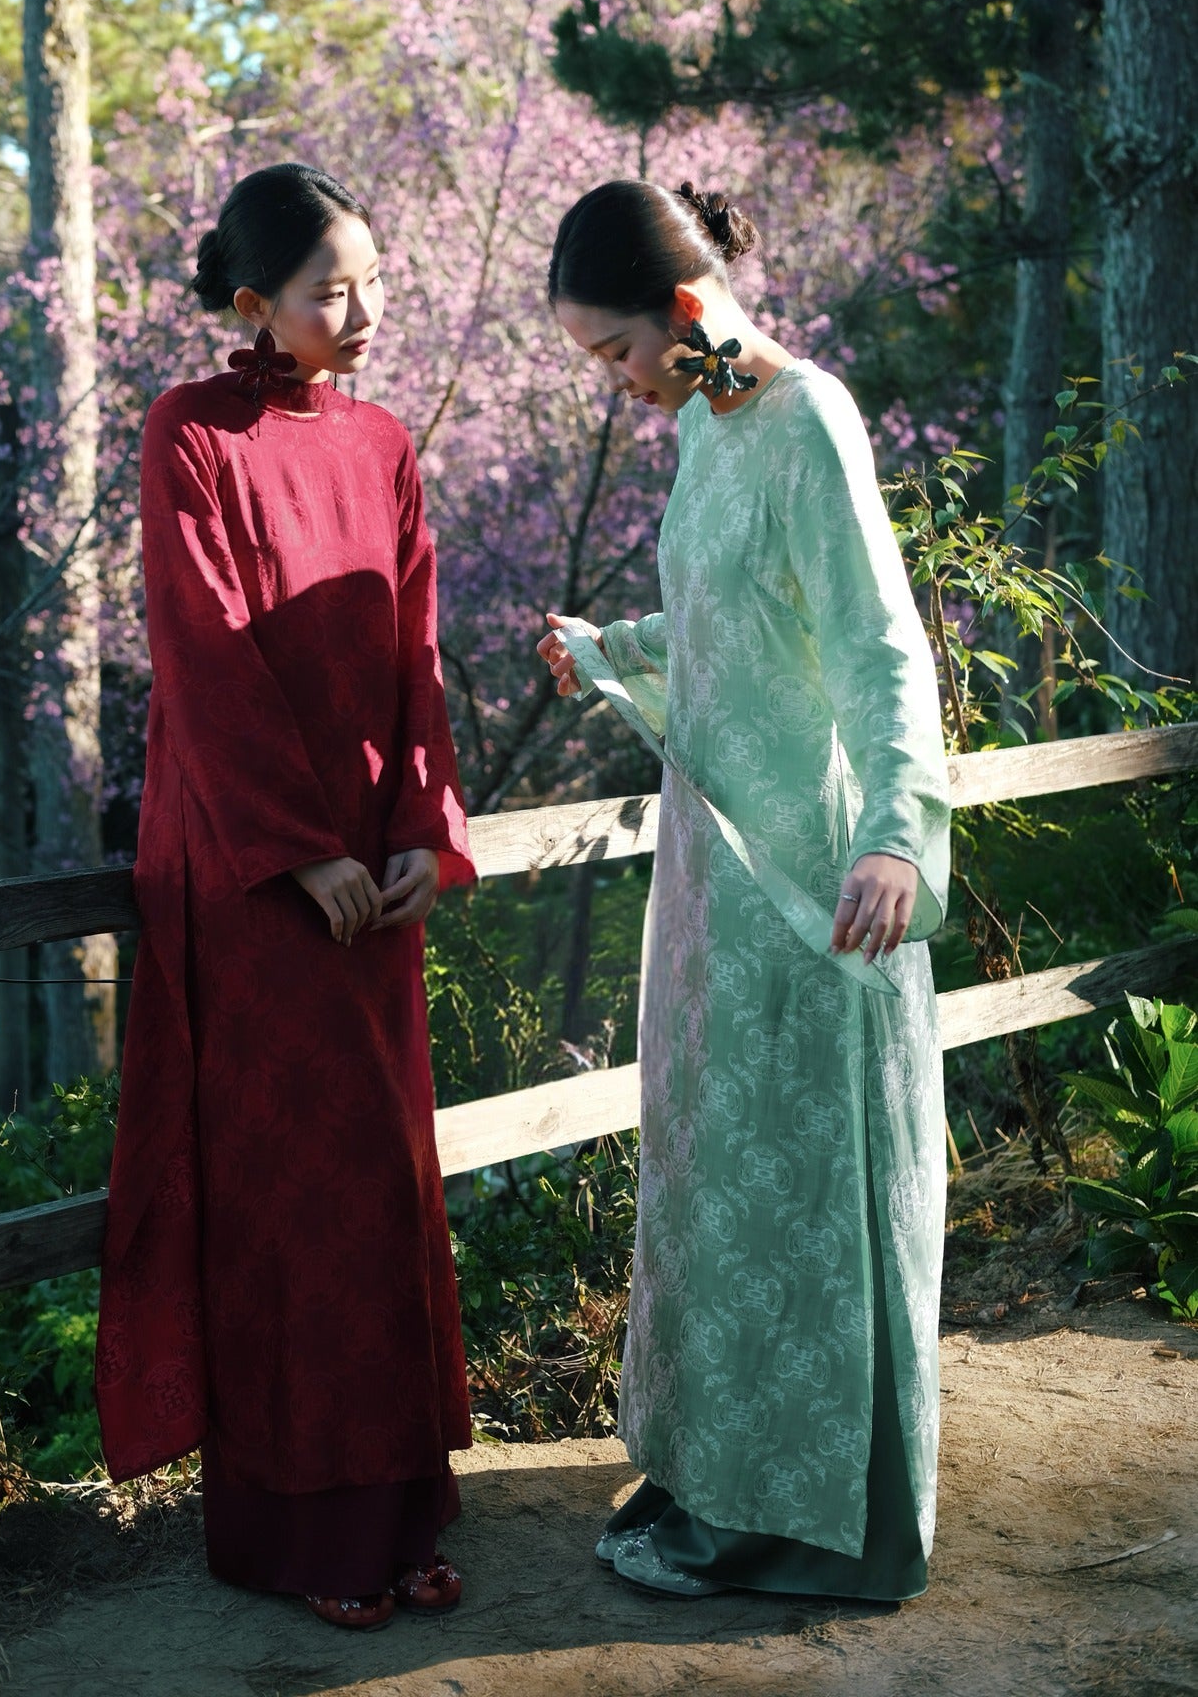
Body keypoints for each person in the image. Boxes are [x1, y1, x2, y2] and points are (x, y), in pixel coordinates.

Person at [537, 179, 951, 1603]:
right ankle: (722, 1463)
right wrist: (611, 646)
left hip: (815, 878)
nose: (621, 386)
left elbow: (878, 644)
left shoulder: (803, 418)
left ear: (685, 311)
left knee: (802, 1197)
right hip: (714, 873)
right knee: (718, 1181)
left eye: (616, 355)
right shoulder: (707, 433)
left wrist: (898, 835)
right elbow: (728, 613)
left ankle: (810, 1515)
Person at [96, 163, 476, 1634]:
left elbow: (414, 644)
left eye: (374, 280)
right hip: (253, 883)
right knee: (283, 1203)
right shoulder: (188, 433)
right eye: (332, 290)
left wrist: (413, 833)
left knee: (383, 1190)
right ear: (252, 304)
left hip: (365, 878)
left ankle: (397, 1515)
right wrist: (296, 845)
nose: (364, 311)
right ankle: (297, 1534)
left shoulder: (382, 443)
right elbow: (203, 648)